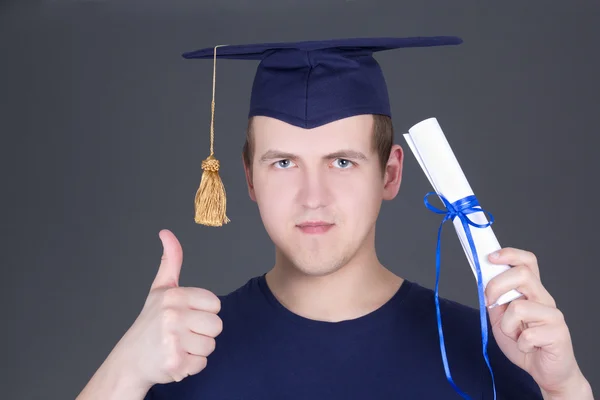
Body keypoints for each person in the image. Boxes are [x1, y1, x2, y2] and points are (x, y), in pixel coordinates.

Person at [76, 37, 594, 399]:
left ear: (390, 174)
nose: (312, 196)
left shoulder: (488, 349)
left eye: (342, 162)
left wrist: (563, 387)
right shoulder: (181, 354)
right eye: (283, 162)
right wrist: (123, 372)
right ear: (249, 178)